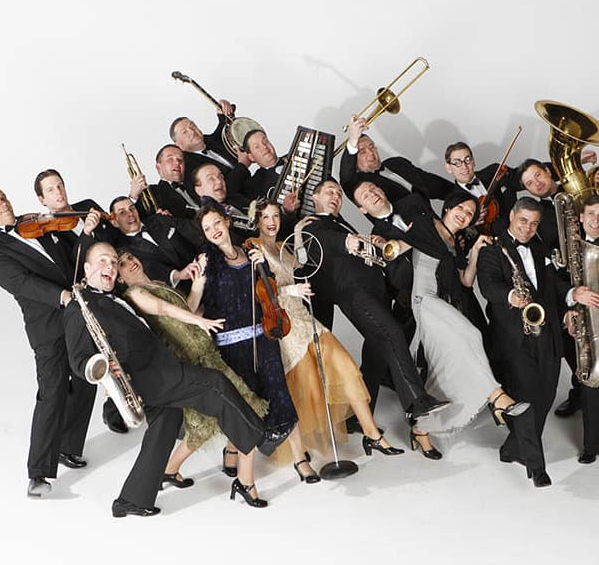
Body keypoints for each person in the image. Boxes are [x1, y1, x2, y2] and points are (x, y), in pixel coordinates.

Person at [64, 242, 276, 516]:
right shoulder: (79, 307)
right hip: (151, 376)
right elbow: (79, 360)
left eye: (114, 262)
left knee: (167, 422)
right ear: (87, 268)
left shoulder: (112, 296)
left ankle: (133, 499)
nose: (111, 266)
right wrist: (104, 368)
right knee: (214, 384)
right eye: (103, 261)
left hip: (158, 367)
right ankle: (259, 435)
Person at [393, 190, 542, 472]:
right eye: (460, 208)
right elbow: (400, 242)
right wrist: (385, 243)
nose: (464, 214)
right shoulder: (426, 224)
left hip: (442, 302)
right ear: (447, 208)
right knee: (473, 335)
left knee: (444, 368)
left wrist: (473, 252)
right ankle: (497, 397)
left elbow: (465, 281)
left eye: (470, 213)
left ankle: (420, 428)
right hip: (424, 301)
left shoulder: (456, 244)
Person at [252, 200, 403, 457]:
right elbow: (259, 294)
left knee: (345, 366)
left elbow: (301, 265)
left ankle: (372, 435)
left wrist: (298, 233)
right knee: (306, 386)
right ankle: (299, 452)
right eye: (266, 217)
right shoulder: (254, 249)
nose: (272, 221)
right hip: (284, 326)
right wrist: (292, 290)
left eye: (275, 215)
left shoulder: (281, 247)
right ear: (257, 220)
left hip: (305, 318)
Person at [301, 178, 449, 427]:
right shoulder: (311, 225)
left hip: (375, 292)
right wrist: (346, 242)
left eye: (338, 193)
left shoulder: (341, 223)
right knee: (392, 333)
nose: (336, 196)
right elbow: (320, 240)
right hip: (355, 294)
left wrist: (374, 245)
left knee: (376, 356)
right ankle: (417, 401)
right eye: (329, 192)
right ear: (314, 198)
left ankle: (357, 419)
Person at [115, 249, 268, 485]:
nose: (130, 262)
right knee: (244, 408)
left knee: (208, 424)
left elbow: (188, 309)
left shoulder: (157, 283)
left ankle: (172, 469)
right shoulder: (134, 294)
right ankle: (245, 483)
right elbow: (165, 310)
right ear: (119, 277)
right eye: (122, 263)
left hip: (204, 353)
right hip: (188, 359)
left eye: (130, 257)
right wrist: (200, 321)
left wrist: (199, 281)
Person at [477, 197, 599, 486]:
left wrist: (571, 298)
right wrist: (511, 296)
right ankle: (536, 467)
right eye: (523, 221)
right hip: (516, 338)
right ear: (511, 216)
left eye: (533, 224)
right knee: (527, 399)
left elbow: (551, 285)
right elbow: (488, 285)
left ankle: (511, 449)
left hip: (548, 334)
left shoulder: (539, 247)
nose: (528, 228)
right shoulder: (492, 250)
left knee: (545, 396)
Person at [196, 205, 321, 483]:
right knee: (245, 402)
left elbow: (268, 291)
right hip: (230, 344)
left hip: (263, 335)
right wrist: (197, 287)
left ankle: (300, 459)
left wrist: (262, 266)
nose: (214, 230)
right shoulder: (206, 261)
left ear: (227, 221)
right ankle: (233, 449)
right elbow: (196, 304)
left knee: (280, 393)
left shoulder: (249, 251)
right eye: (207, 228)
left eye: (217, 222)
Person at [0, 190, 96, 497]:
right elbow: (21, 283)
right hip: (47, 326)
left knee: (86, 378)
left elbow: (68, 259)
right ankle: (38, 472)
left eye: (3, 197)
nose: (4, 203)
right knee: (52, 392)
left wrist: (86, 235)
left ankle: (68, 446)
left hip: (76, 313)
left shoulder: (35, 224)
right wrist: (61, 295)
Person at [34, 168, 126, 434]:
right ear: (42, 200)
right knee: (109, 353)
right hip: (92, 298)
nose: (58, 192)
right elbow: (71, 270)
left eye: (60, 185)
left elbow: (114, 237)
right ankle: (114, 410)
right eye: (50, 190)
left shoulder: (87, 206)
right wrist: (86, 233)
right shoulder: (48, 232)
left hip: (117, 283)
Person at [339, 115, 453, 205]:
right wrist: (353, 139)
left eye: (371, 146)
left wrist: (460, 195)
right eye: (362, 151)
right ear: (354, 160)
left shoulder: (397, 163)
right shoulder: (357, 184)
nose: (370, 153)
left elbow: (433, 184)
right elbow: (346, 177)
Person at [563, 195, 599, 464]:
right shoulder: (568, 248)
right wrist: (573, 295)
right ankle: (591, 446)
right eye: (592, 214)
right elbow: (551, 283)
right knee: (591, 383)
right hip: (585, 323)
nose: (596, 220)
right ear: (581, 217)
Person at [108, 196, 202, 287]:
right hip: (180, 291)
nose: (130, 214)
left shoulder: (159, 219)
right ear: (115, 222)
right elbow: (151, 270)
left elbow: (193, 230)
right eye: (122, 212)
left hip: (203, 267)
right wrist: (179, 275)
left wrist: (204, 253)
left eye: (132, 208)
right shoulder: (126, 252)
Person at [128, 144, 195, 219]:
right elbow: (137, 218)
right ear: (158, 167)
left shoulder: (196, 183)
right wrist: (133, 197)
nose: (177, 163)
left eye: (180, 160)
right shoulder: (153, 192)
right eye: (170, 159)